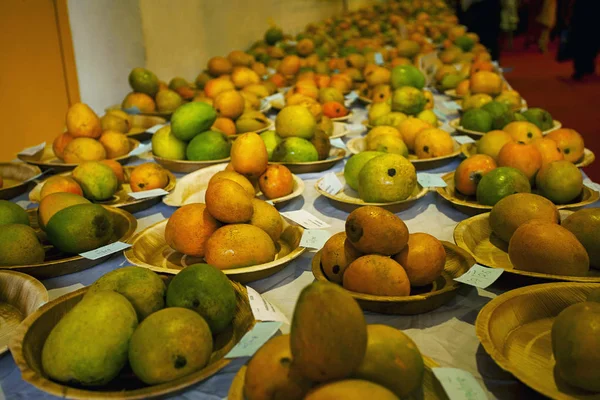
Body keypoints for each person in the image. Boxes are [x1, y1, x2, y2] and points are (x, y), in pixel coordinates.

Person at [568, 0, 600, 80]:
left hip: (582, 21)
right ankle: (585, 70)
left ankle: (582, 70)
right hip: (590, 21)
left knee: (583, 45)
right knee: (589, 46)